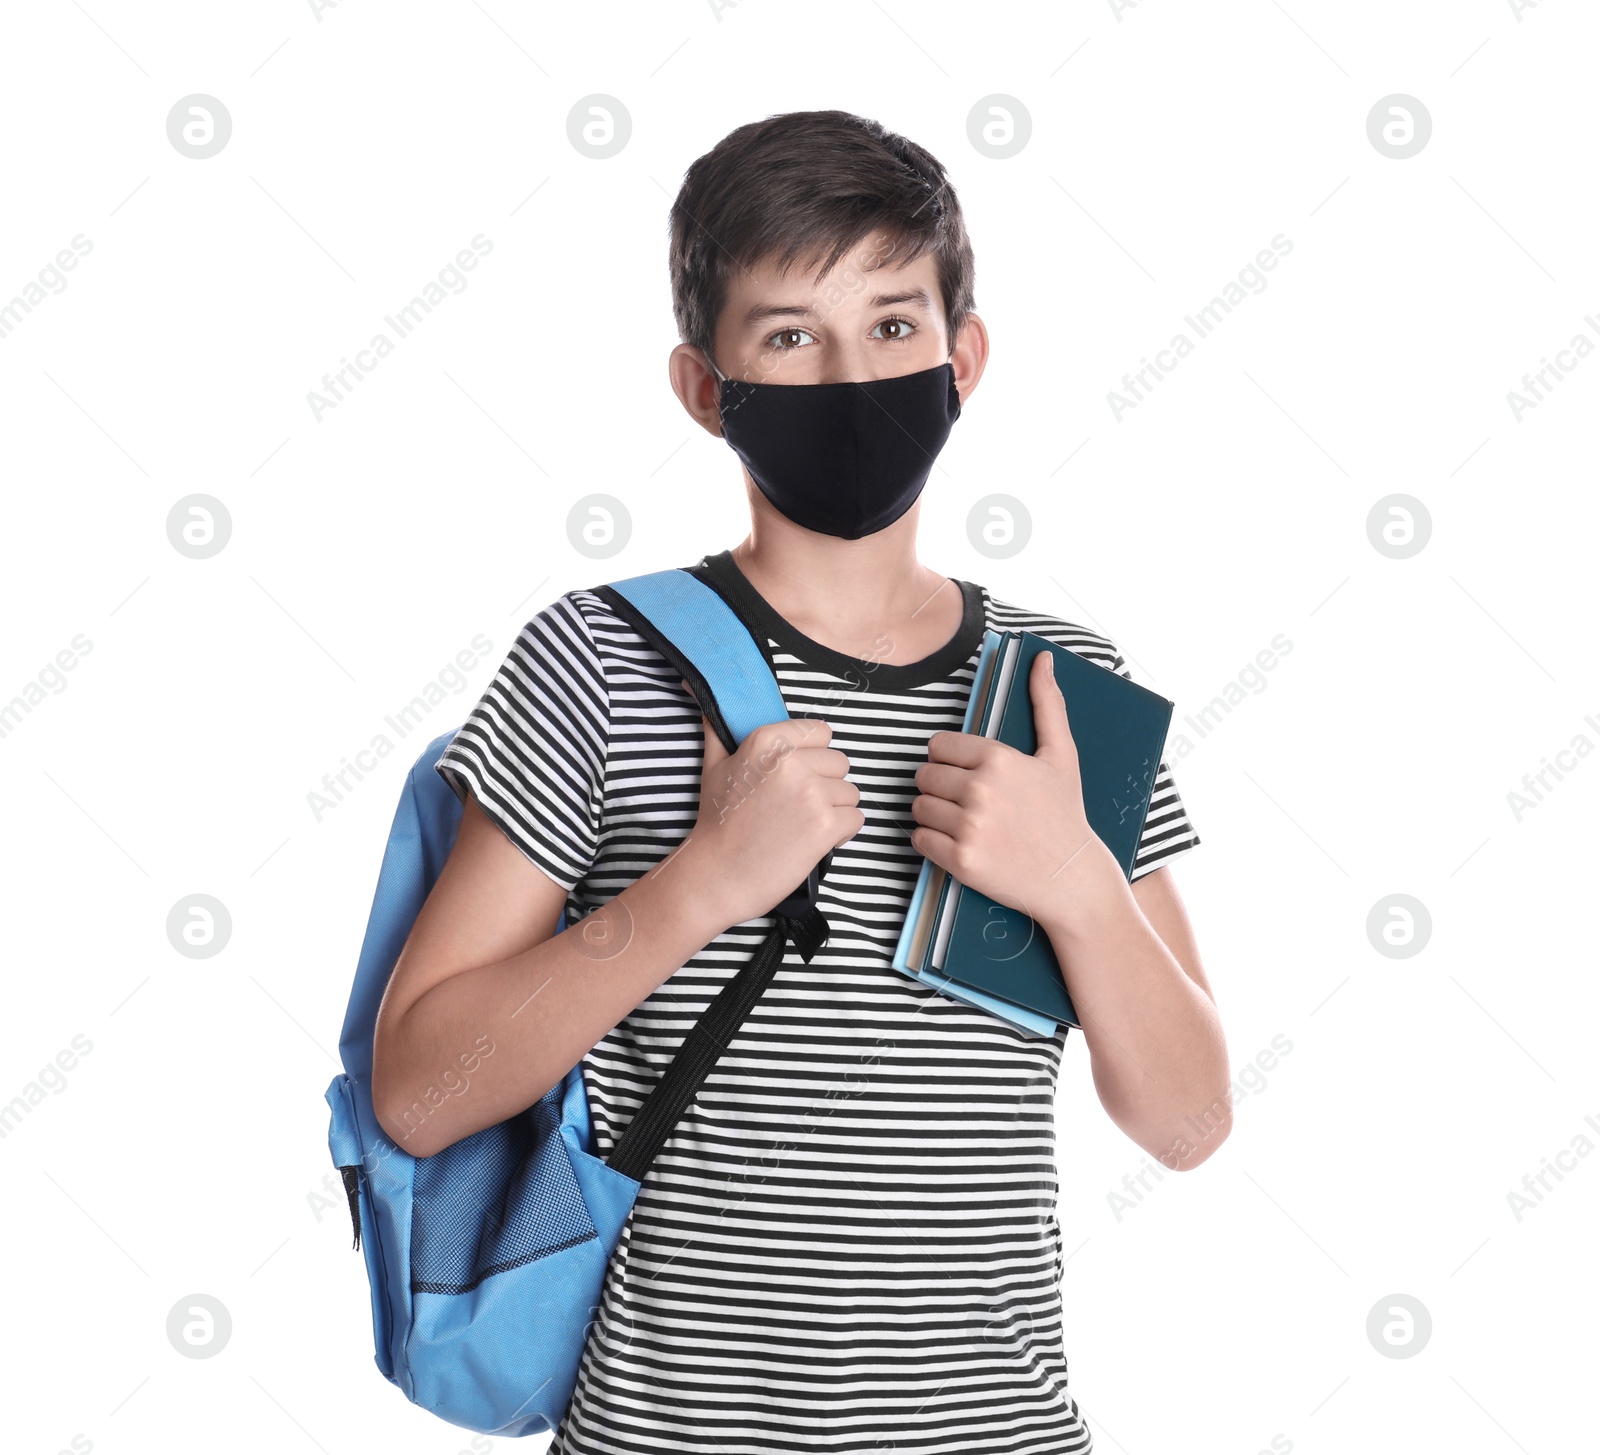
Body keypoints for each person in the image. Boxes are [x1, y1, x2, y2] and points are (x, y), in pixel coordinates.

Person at [371, 109, 1229, 1455]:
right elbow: (418, 1090)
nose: (849, 375)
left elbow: (1186, 1122)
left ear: (967, 355)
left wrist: (1079, 889)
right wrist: (702, 885)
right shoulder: (603, 660)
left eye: (893, 328)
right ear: (706, 388)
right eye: (788, 336)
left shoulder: (1064, 688)